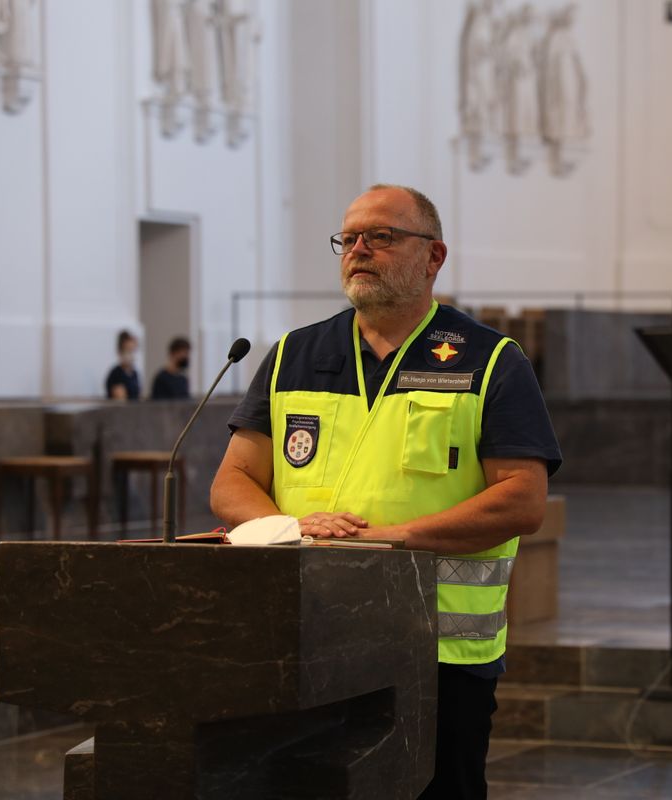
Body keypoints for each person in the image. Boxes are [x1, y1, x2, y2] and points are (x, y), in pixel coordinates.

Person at [210, 184, 561, 799]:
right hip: (310, 633)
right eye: (349, 239)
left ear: (434, 256)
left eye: (382, 237)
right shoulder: (294, 354)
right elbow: (233, 481)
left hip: (438, 648)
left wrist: (391, 541)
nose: (359, 250)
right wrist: (290, 528)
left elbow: (521, 500)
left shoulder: (489, 360)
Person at [150, 336, 192, 400]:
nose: (187, 357)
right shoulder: (161, 378)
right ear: (174, 353)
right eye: (185, 353)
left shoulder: (183, 379)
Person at [105, 330, 141, 401]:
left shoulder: (134, 373)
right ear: (120, 352)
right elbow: (121, 400)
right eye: (128, 350)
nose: (131, 355)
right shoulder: (116, 374)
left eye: (133, 351)